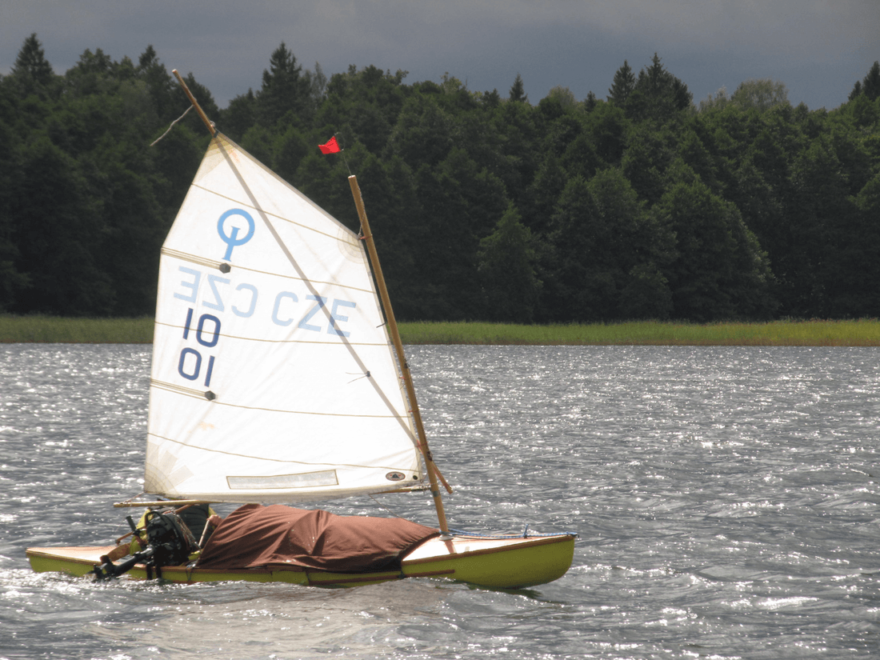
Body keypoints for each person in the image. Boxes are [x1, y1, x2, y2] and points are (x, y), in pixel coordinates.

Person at [100, 504, 223, 564]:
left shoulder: (153, 510)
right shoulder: (203, 506)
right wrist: (220, 524)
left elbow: (135, 548)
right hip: (206, 559)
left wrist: (142, 540)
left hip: (175, 562)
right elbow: (225, 533)